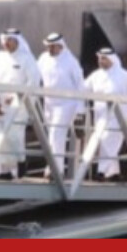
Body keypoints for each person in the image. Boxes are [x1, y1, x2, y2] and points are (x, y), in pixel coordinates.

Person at [82, 48, 127, 180]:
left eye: (104, 58)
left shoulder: (122, 75)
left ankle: (101, 171)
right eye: (99, 58)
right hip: (100, 116)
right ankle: (113, 173)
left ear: (111, 60)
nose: (100, 61)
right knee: (105, 142)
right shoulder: (96, 75)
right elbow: (83, 87)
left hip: (117, 116)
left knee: (108, 140)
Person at [0, 30, 35, 178]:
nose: (7, 43)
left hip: (19, 104)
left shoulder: (27, 59)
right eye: (5, 40)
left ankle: (21, 161)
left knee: (13, 135)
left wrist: (16, 97)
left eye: (10, 40)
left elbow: (33, 82)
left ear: (17, 41)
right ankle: (3, 171)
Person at [37, 32, 85, 177]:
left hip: (66, 104)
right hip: (49, 103)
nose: (50, 49)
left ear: (60, 46)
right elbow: (35, 76)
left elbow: (80, 86)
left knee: (56, 134)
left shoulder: (71, 61)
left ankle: (56, 170)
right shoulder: (43, 59)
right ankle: (53, 167)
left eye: (53, 46)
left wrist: (80, 111)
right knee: (51, 136)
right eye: (48, 46)